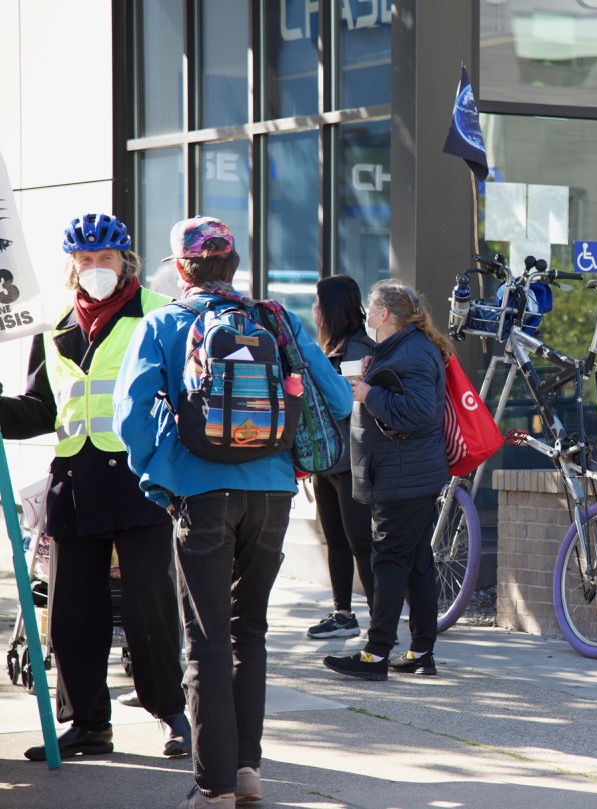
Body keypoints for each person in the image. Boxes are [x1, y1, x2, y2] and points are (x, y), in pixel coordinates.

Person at [113, 216, 352, 809]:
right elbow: (342, 398)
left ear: (182, 268)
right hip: (272, 494)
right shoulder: (277, 319)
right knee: (251, 632)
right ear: (233, 264)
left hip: (200, 495)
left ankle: (213, 785)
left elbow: (131, 419)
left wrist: (162, 476)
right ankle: (246, 772)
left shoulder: (164, 323)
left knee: (207, 642)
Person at [5, 213, 190, 762]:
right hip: (75, 485)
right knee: (71, 614)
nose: (95, 269)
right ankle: (87, 723)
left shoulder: (158, 314)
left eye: (104, 259)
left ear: (125, 261)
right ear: (72, 267)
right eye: (84, 261)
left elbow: (186, 395)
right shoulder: (55, 323)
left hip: (141, 483)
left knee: (149, 610)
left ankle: (171, 713)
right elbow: (42, 408)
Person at [322, 279, 450, 681]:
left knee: (390, 561)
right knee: (415, 564)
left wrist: (367, 393)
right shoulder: (403, 347)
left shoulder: (410, 351)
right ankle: (420, 652)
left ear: (385, 315)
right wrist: (370, 378)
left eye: (372, 308)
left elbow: (417, 412)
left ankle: (376, 655)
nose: (367, 314)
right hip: (408, 473)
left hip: (403, 476)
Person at [305, 276, 377, 640]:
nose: (314, 310)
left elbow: (346, 405)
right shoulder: (330, 348)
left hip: (350, 461)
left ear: (331, 307)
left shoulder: (357, 350)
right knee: (334, 540)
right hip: (326, 460)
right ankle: (343, 614)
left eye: (318, 303)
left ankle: (380, 621)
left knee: (360, 542)